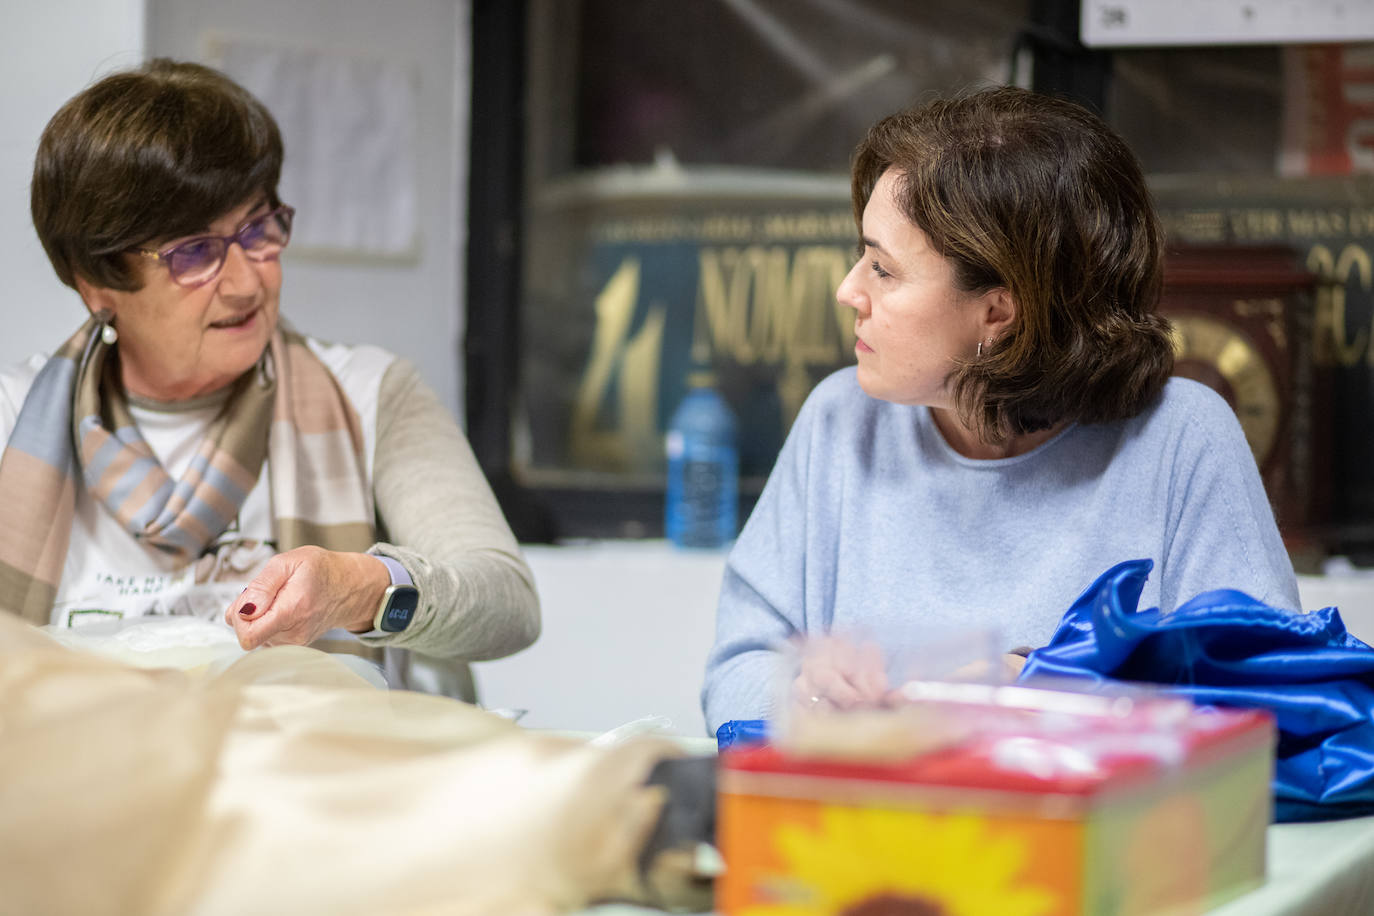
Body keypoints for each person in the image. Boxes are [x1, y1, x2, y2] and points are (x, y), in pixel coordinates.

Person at [701, 86, 1302, 734]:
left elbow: (1270, 705)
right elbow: (733, 675)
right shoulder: (839, 420)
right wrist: (802, 692)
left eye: (883, 268)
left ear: (998, 311)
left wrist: (1040, 691)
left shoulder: (1181, 438)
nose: (848, 290)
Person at [0, 59, 538, 695]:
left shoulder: (369, 392)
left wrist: (363, 589)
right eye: (194, 252)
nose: (251, 280)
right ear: (98, 285)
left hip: (316, 781)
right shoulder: (13, 419)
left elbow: (507, 603)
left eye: (257, 230)